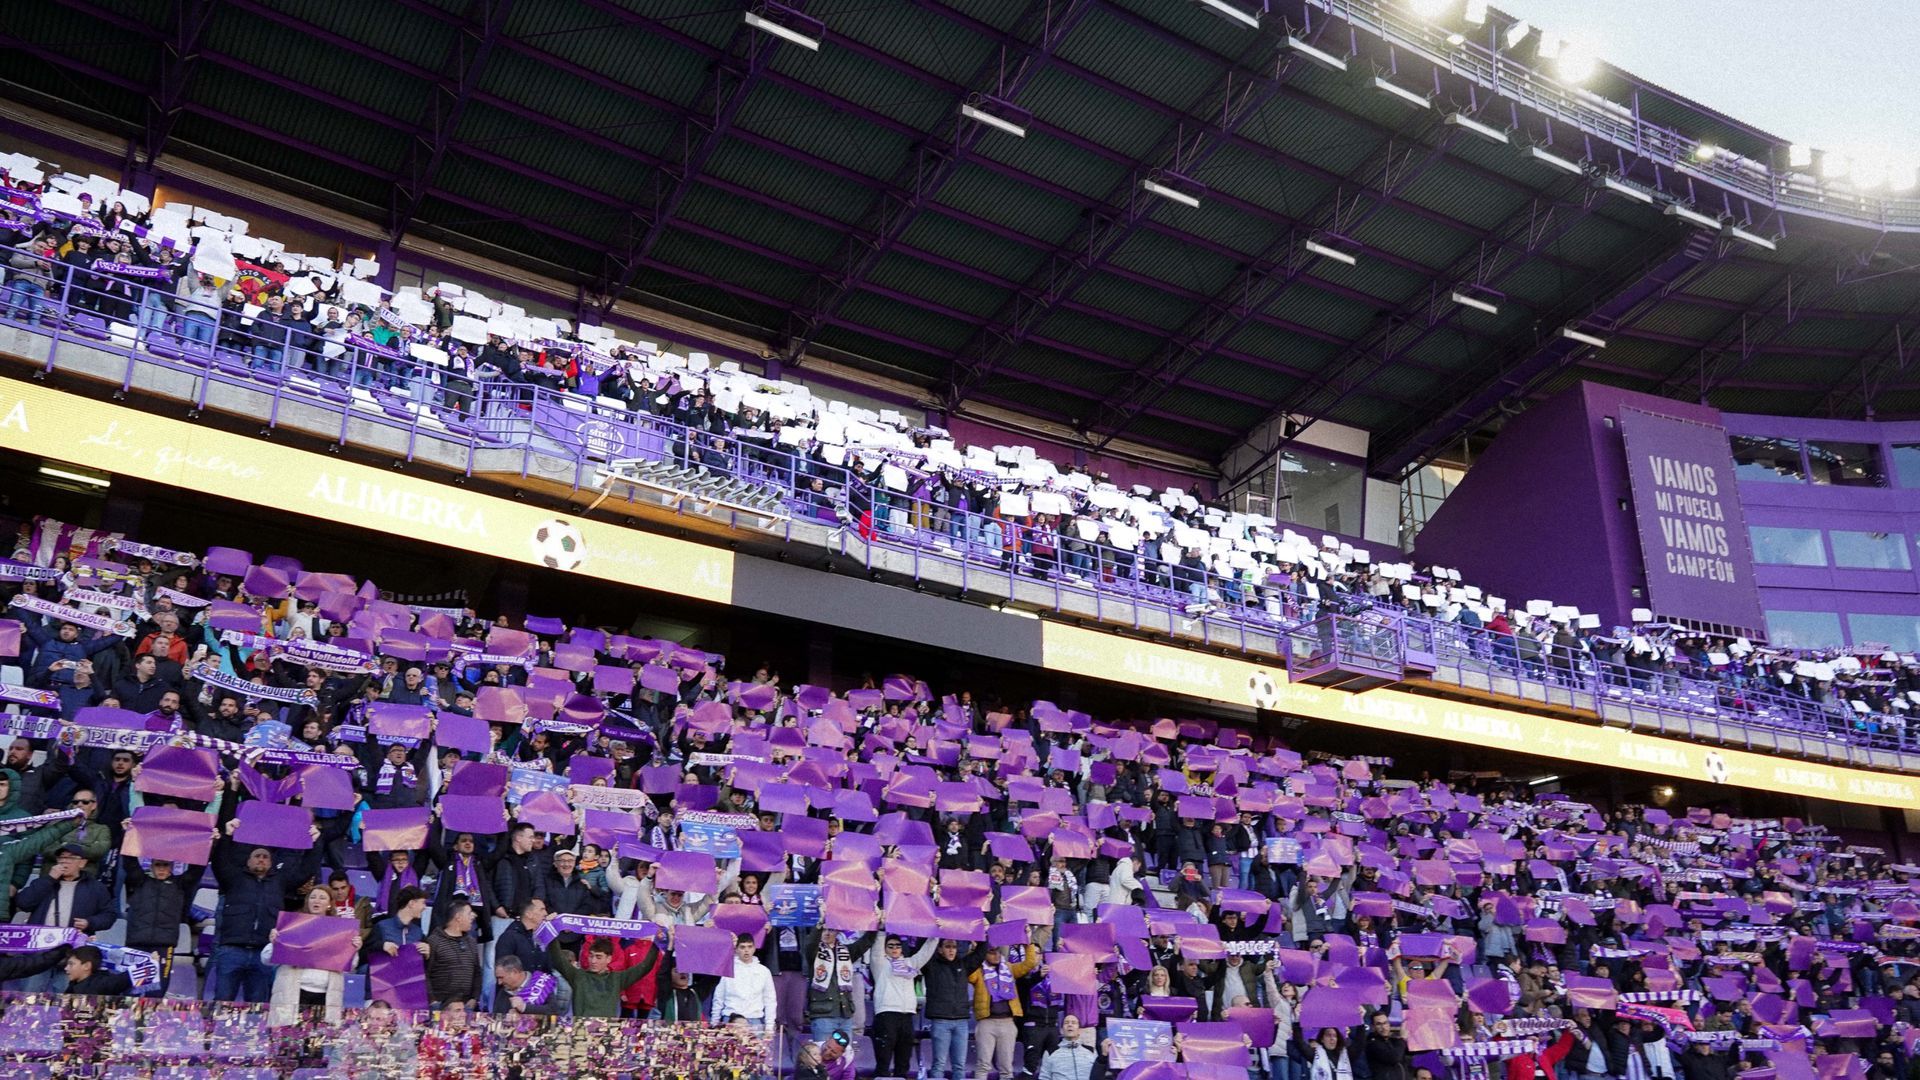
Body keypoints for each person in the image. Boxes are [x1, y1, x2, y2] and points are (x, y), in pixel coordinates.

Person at [268, 885, 353, 1024]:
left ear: (330, 904)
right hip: (293, 991)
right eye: (313, 897)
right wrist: (274, 943)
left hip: (325, 995)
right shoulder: (292, 925)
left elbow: (351, 964)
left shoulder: (341, 930)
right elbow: (266, 958)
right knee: (289, 1036)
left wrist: (353, 948)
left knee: (318, 1037)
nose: (316, 900)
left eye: (322, 898)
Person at [870, 933, 941, 1078]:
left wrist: (935, 935)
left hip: (907, 1016)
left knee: (903, 1060)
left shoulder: (909, 964)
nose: (894, 948)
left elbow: (925, 953)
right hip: (886, 1015)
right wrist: (882, 930)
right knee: (883, 1060)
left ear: (902, 948)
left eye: (897, 945)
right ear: (885, 948)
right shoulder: (880, 964)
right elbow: (877, 950)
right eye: (890, 946)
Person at [969, 941, 1041, 1080]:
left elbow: (1030, 963)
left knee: (1007, 1068)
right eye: (992, 952)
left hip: (1008, 1022)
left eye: (998, 951)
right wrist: (974, 950)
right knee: (983, 1065)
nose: (996, 955)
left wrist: (1028, 943)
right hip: (987, 1022)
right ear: (984, 954)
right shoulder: (978, 971)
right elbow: (968, 972)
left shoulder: (1009, 968)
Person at [547, 933, 658, 1018]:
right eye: (591, 956)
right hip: (581, 1031)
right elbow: (558, 958)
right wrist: (552, 931)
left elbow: (645, 967)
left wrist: (658, 941)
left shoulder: (617, 979)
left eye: (598, 957)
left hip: (607, 1031)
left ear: (609, 959)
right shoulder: (577, 976)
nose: (593, 961)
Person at [711, 933, 778, 1035]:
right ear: (736, 949)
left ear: (754, 948)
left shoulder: (764, 971)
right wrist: (714, 1023)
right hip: (731, 1019)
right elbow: (718, 998)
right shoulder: (727, 969)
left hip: (754, 1020)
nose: (746, 950)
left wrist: (769, 1027)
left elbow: (770, 1000)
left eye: (749, 947)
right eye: (742, 947)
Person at [423, 897, 484, 1009]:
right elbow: (425, 973)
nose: (473, 916)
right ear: (458, 917)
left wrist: (474, 998)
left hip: (465, 1006)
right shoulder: (434, 941)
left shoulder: (471, 942)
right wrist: (432, 1000)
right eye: (469, 913)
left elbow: (477, 972)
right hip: (441, 1005)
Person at [491, 954, 571, 1017]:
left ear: (514, 972)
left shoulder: (541, 984)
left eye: (501, 977)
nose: (499, 982)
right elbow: (497, 1015)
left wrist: (525, 1008)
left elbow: (553, 1011)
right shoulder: (503, 991)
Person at [1038, 1013, 1099, 1080]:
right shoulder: (1050, 1052)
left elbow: (1097, 1075)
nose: (1070, 1025)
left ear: (1079, 1030)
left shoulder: (1091, 1051)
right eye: (1066, 1023)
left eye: (1074, 1023)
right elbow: (1044, 1077)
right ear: (1061, 1030)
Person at [61, 945, 133, 996]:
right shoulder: (73, 984)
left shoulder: (102, 984)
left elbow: (123, 979)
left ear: (86, 966)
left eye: (71, 964)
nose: (66, 968)